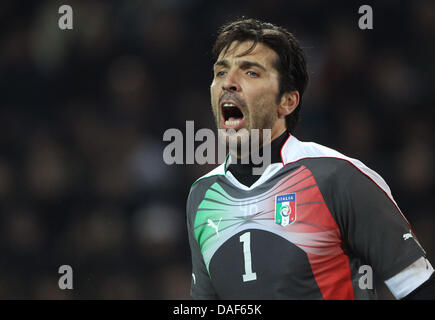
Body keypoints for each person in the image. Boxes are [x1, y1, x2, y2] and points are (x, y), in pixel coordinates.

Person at [186, 18, 434, 299]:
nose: (228, 83)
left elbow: (419, 288)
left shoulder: (338, 176)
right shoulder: (202, 195)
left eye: (251, 73)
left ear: (287, 102)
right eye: (220, 72)